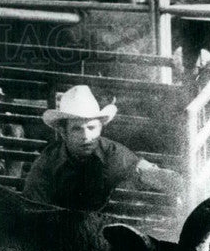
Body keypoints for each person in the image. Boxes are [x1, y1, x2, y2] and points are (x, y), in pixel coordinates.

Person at [21, 85, 184, 212]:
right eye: (77, 129)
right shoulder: (47, 164)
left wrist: (178, 183)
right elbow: (32, 209)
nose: (86, 136)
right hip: (55, 227)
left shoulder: (112, 153)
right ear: (64, 133)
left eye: (91, 128)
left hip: (96, 225)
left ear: (100, 129)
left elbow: (147, 172)